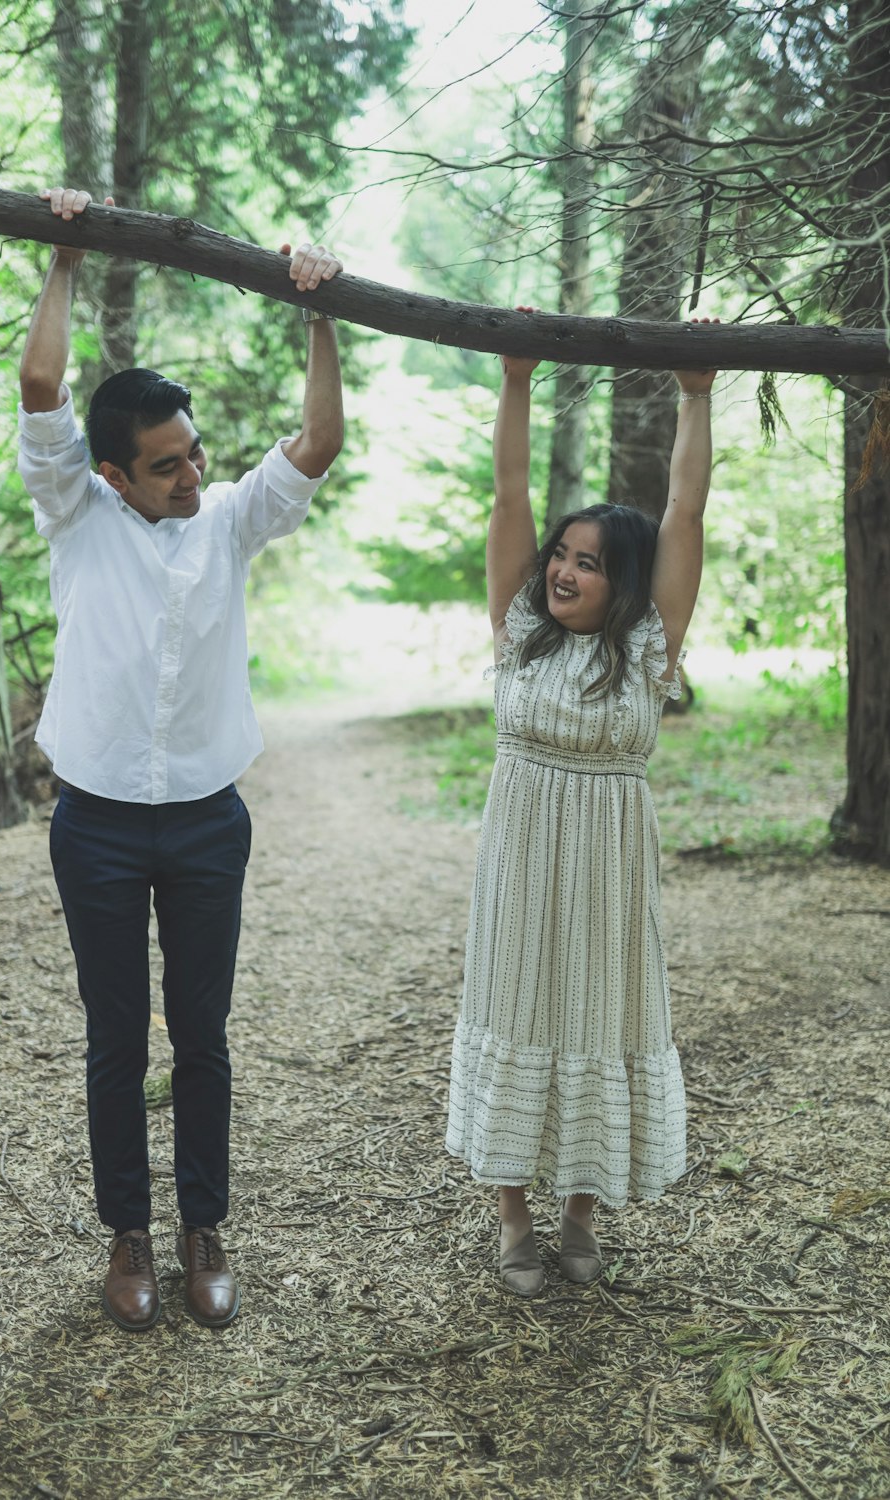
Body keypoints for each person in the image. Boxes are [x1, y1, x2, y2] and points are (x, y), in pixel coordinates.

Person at [18, 186, 344, 1331]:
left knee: (201, 1035)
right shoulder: (75, 512)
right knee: (117, 1037)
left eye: (194, 454)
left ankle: (206, 1226)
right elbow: (42, 389)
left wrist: (320, 312)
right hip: (95, 823)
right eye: (165, 465)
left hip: (209, 820)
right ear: (114, 474)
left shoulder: (229, 521)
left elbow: (319, 440)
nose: (191, 475)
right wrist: (62, 254)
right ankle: (129, 1237)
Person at [445, 317, 716, 1296]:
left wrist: (696, 394)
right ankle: (513, 1216)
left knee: (598, 1013)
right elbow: (508, 494)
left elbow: (683, 514)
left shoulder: (646, 650)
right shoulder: (520, 630)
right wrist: (515, 380)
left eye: (590, 562)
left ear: (624, 585)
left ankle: (580, 1214)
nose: (563, 568)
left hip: (606, 854)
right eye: (563, 553)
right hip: (520, 846)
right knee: (516, 1001)